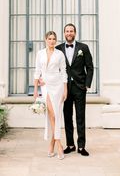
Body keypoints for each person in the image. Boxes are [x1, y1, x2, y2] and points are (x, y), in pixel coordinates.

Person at [56, 23, 94, 156]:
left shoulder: (83, 48)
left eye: (71, 31)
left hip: (79, 87)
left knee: (80, 117)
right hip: (65, 88)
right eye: (67, 31)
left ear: (75, 33)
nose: (69, 33)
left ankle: (81, 146)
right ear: (64, 33)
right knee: (67, 117)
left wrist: (87, 84)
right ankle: (70, 145)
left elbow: (90, 67)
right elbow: (56, 69)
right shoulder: (58, 49)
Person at [34, 31, 67, 160]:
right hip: (45, 86)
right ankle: (59, 144)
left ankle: (52, 143)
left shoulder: (60, 54)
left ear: (56, 40)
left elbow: (64, 72)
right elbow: (37, 71)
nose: (52, 41)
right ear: (45, 40)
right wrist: (36, 89)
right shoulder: (40, 53)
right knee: (52, 114)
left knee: (56, 115)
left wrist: (65, 90)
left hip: (58, 86)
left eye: (54, 39)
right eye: (49, 38)